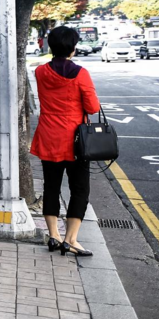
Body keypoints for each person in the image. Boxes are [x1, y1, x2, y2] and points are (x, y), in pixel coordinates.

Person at [30, 25, 100, 257]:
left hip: (49, 135)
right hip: (76, 140)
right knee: (79, 189)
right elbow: (92, 107)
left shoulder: (41, 71)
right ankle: (71, 239)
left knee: (51, 186)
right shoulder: (81, 74)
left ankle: (53, 235)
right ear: (72, 47)